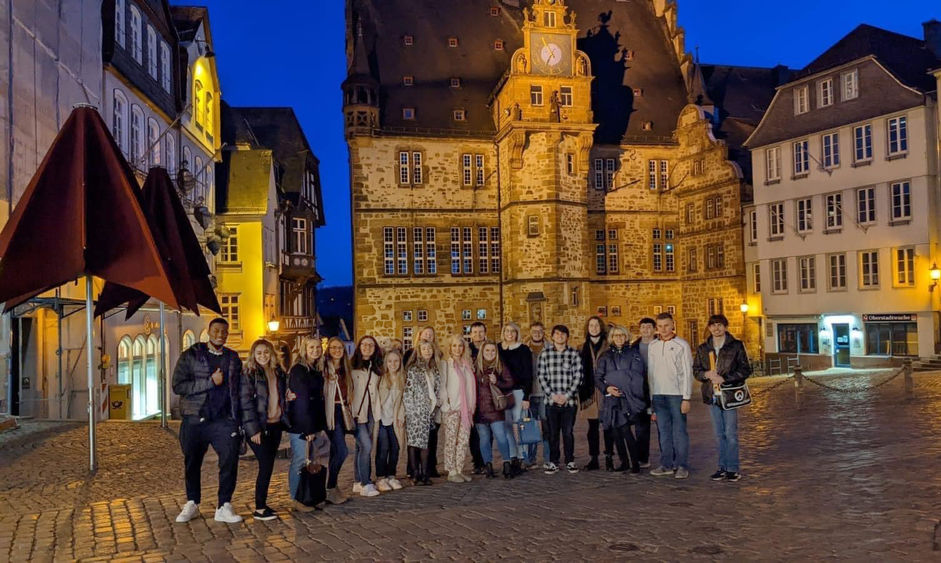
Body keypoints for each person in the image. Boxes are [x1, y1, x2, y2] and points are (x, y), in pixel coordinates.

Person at [172, 318, 249, 524]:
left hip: (224, 420)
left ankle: (224, 505)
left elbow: (240, 389)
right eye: (216, 330)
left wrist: (239, 418)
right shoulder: (191, 355)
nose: (220, 334)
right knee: (192, 462)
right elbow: (178, 386)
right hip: (195, 418)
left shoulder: (233, 357)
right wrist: (209, 383)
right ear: (208, 331)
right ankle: (192, 502)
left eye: (224, 331)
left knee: (229, 461)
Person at [692, 314, 751, 482]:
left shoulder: (736, 346)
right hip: (712, 396)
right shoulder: (704, 348)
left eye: (719, 325)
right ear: (709, 328)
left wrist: (725, 378)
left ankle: (732, 468)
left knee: (730, 433)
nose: (716, 328)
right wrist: (705, 374)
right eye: (713, 325)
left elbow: (745, 370)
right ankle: (721, 467)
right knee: (719, 434)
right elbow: (696, 370)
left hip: (729, 395)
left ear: (725, 327)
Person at [242, 339, 290, 521]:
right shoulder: (249, 374)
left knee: (268, 465)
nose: (263, 356)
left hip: (275, 424)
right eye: (259, 352)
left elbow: (281, 396)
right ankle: (260, 508)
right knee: (265, 465)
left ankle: (263, 504)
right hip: (259, 428)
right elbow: (245, 404)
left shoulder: (278, 372)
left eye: (266, 352)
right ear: (253, 355)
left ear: (272, 354)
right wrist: (253, 430)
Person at [594, 325, 648, 474]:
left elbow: (636, 375)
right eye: (616, 335)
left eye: (621, 335)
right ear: (612, 337)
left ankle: (635, 463)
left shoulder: (633, 353)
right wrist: (607, 389)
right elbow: (598, 377)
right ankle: (624, 462)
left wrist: (625, 389)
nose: (619, 338)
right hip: (612, 399)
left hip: (627, 398)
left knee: (625, 430)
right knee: (616, 431)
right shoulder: (605, 356)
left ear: (626, 337)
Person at [647, 313, 694, 479]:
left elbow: (687, 372)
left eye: (666, 326)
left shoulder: (681, 345)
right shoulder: (653, 346)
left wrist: (686, 397)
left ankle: (681, 465)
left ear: (673, 325)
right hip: (659, 395)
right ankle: (666, 464)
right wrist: (652, 397)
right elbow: (651, 374)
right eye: (659, 326)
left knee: (679, 431)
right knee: (663, 431)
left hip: (676, 395)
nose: (663, 330)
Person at [286, 335, 327, 513]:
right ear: (304, 349)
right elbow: (302, 401)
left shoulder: (315, 369)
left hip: (314, 422)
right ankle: (296, 498)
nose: (315, 350)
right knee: (300, 460)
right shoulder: (299, 370)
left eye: (318, 347)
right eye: (311, 348)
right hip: (301, 423)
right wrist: (308, 428)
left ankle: (312, 495)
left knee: (314, 460)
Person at [537, 325, 583, 475]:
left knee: (568, 432)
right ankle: (553, 461)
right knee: (552, 433)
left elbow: (578, 377)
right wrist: (552, 395)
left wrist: (567, 395)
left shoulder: (574, 354)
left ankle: (570, 460)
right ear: (552, 336)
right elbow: (541, 377)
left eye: (563, 334)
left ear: (567, 337)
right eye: (557, 334)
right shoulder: (545, 354)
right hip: (551, 401)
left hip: (569, 402)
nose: (560, 337)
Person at [404, 326, 443, 478]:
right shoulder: (413, 369)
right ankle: (414, 474)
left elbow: (437, 389)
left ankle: (425, 473)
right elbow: (408, 392)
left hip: (430, 412)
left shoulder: (434, 369)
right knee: (414, 444)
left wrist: (437, 405)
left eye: (429, 349)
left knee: (426, 443)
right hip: (416, 413)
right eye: (424, 349)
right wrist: (411, 411)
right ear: (419, 351)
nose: (427, 351)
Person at [474, 340, 516, 478]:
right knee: (484, 439)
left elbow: (510, 382)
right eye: (487, 350)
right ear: (482, 351)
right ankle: (488, 466)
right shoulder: (476, 366)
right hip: (480, 409)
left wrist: (496, 381)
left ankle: (506, 463)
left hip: (496, 409)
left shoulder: (499, 366)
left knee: (501, 437)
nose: (490, 353)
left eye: (493, 350)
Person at [350, 335, 383, 497]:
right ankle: (366, 483)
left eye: (371, 345)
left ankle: (357, 481)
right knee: (367, 446)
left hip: (371, 412)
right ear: (359, 347)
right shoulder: (351, 366)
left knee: (360, 447)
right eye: (364, 344)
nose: (367, 347)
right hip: (357, 413)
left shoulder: (377, 367)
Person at [440, 334, 476, 483]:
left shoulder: (467, 364)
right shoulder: (446, 365)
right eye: (454, 345)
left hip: (466, 410)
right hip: (452, 409)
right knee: (451, 440)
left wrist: (471, 407)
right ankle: (451, 470)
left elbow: (470, 387)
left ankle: (459, 469)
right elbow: (442, 387)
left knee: (463, 441)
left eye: (460, 345)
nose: (457, 349)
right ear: (450, 347)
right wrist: (446, 405)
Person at [498, 322, 532, 475]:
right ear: (503, 333)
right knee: (506, 427)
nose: (510, 334)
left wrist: (526, 396)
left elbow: (529, 374)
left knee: (519, 426)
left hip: (519, 392)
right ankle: (513, 457)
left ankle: (522, 457)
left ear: (517, 333)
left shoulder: (523, 349)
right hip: (503, 393)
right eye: (507, 331)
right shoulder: (498, 349)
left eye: (513, 331)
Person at [323, 337, 354, 504]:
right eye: (333, 348)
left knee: (336, 451)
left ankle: (332, 488)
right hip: (330, 412)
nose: (337, 350)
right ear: (328, 350)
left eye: (340, 348)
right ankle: (330, 486)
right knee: (342, 450)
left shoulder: (345, 369)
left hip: (342, 412)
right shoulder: (324, 368)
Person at [579, 316, 612, 470]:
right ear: (587, 328)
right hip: (589, 392)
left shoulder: (608, 346)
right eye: (591, 325)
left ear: (601, 327)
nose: (594, 328)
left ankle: (609, 456)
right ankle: (594, 458)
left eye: (596, 325)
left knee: (608, 426)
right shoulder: (581, 347)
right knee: (592, 427)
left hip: (605, 390)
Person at [376, 350, 406, 492]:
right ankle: (381, 477)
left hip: (394, 419)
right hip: (381, 419)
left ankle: (391, 475)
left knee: (395, 448)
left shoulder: (403, 379)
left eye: (396, 361)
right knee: (383, 448)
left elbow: (404, 401)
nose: (393, 364)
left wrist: (401, 415)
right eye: (390, 361)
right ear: (386, 363)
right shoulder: (380, 378)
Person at [631, 317, 657, 468]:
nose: (646, 330)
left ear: (654, 329)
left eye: (649, 327)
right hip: (641, 390)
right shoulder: (634, 347)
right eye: (643, 327)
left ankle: (670, 459)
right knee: (641, 426)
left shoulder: (661, 344)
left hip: (659, 388)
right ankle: (643, 458)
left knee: (664, 426)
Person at [523, 322, 550, 468]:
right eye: (534, 331)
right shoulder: (524, 349)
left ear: (543, 332)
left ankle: (548, 458)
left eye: (540, 331)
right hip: (530, 395)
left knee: (547, 427)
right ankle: (530, 459)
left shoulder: (550, 348)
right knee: (530, 428)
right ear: (530, 332)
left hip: (545, 394)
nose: (537, 333)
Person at [468, 321, 488, 474]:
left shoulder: (490, 349)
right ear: (470, 334)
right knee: (474, 432)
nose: (478, 335)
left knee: (488, 430)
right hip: (471, 395)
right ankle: (477, 462)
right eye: (475, 332)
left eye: (480, 332)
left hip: (487, 395)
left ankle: (487, 460)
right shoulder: (466, 350)